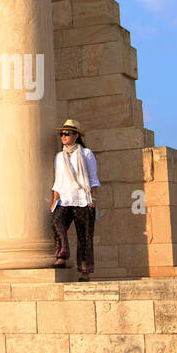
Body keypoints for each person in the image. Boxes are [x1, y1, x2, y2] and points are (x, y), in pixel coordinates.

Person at [50, 117, 100, 281]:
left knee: (84, 237)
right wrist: (54, 200)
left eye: (67, 133)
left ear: (76, 135)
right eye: (62, 134)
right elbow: (58, 181)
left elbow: (93, 178)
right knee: (56, 221)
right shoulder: (59, 157)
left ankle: (84, 271)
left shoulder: (86, 154)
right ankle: (62, 253)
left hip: (83, 199)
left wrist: (93, 198)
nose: (64, 137)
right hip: (64, 199)